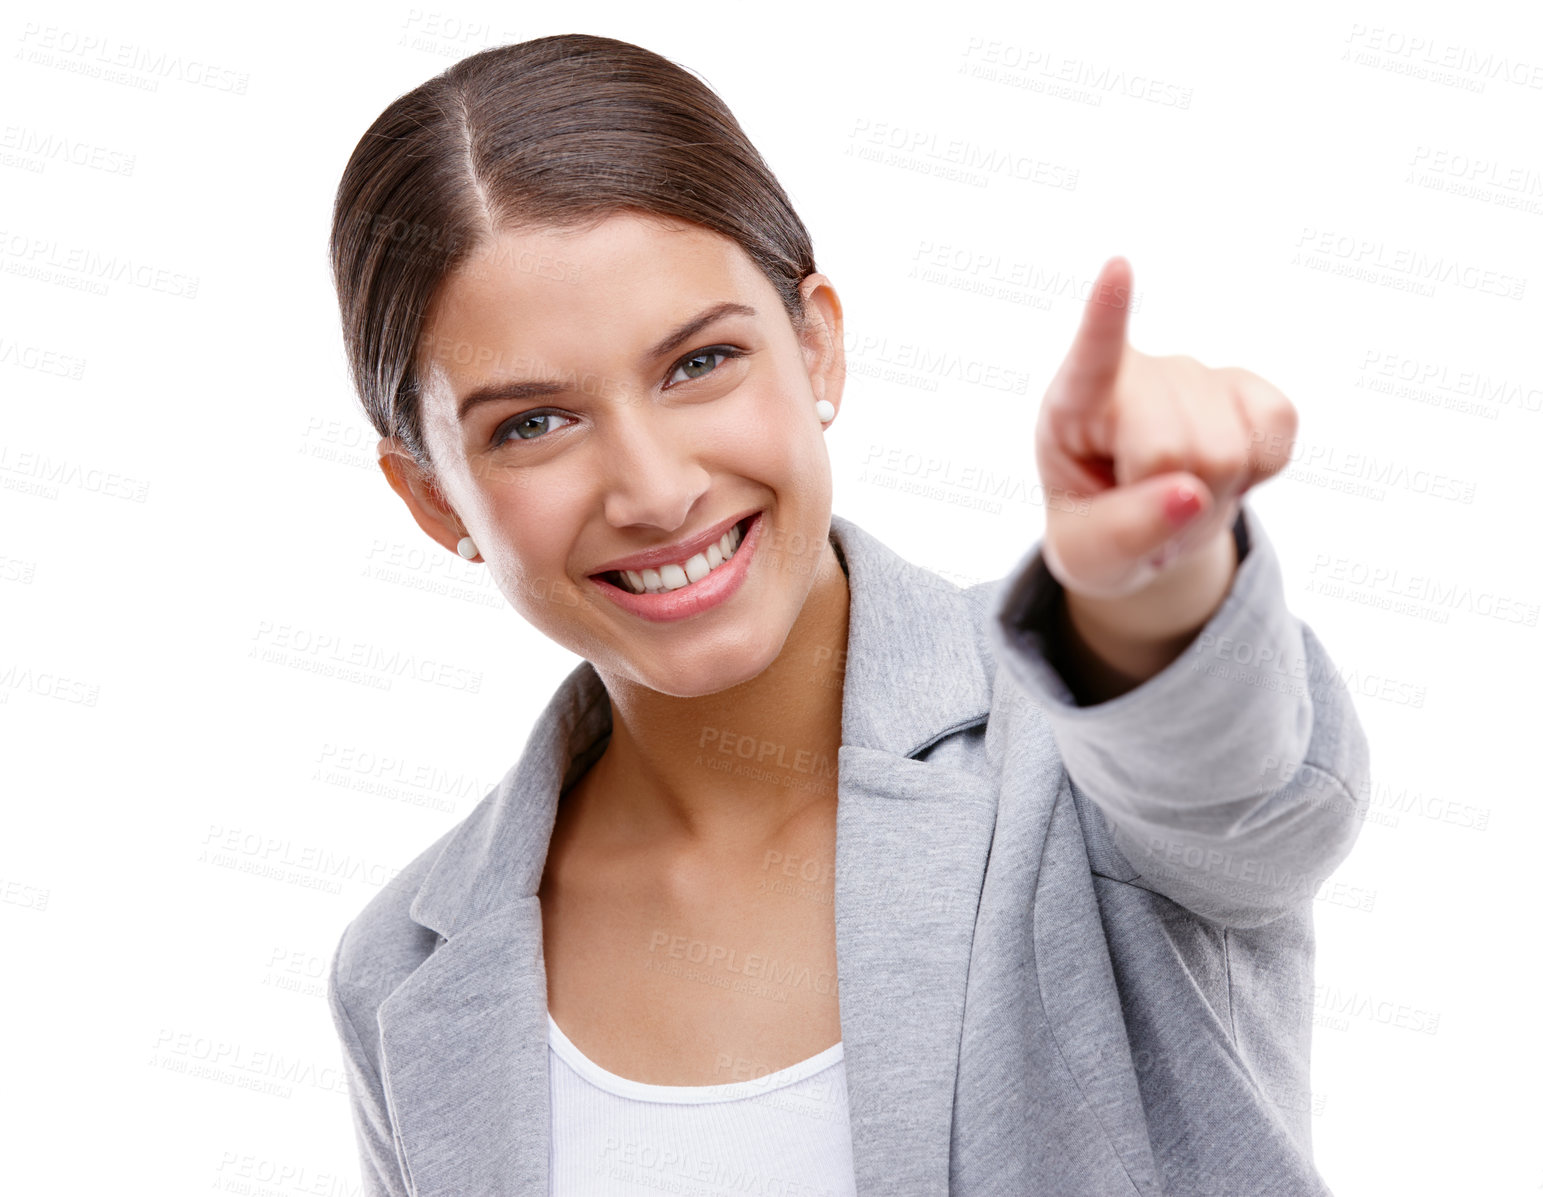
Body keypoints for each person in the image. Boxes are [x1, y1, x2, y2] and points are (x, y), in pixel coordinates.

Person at [324, 32, 1370, 1197]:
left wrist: (1151, 585)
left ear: (814, 345)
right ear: (429, 497)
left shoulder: (1067, 771)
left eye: (699, 363)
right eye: (531, 425)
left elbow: (1244, 801)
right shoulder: (401, 977)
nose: (655, 487)